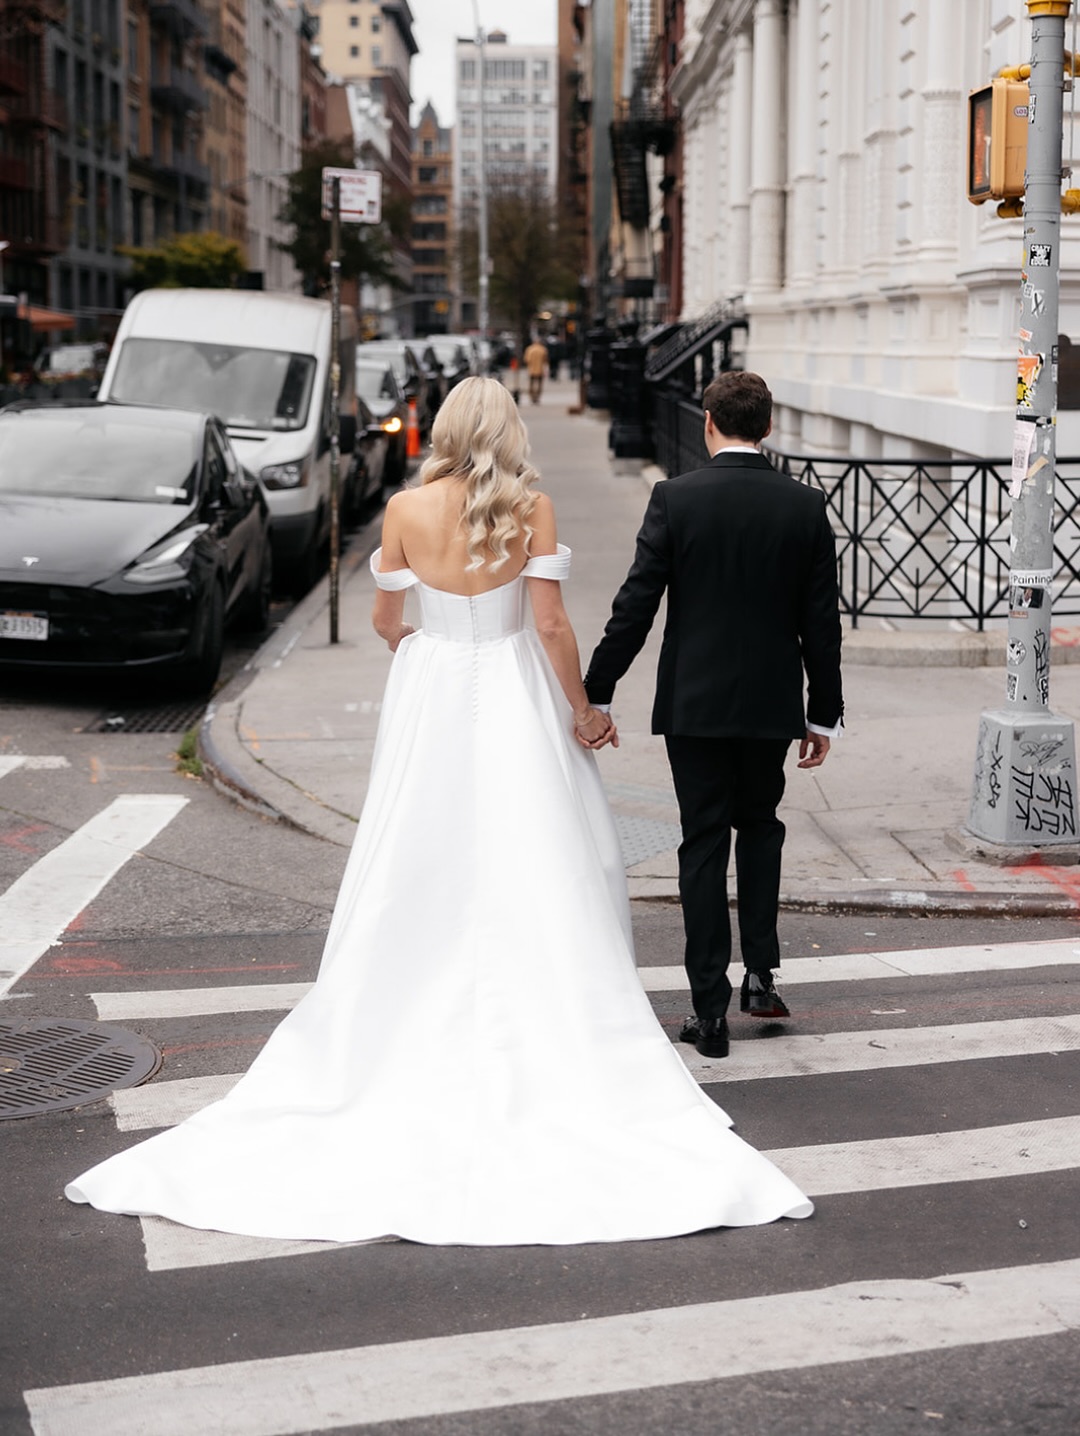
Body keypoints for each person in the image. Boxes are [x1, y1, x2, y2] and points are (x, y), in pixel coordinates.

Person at [65, 378, 812, 1245]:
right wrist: (583, 708)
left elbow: (389, 621)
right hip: (513, 682)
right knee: (543, 847)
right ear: (511, 431)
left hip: (436, 688)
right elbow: (552, 625)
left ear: (449, 431)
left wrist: (429, 649)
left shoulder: (406, 509)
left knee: (419, 846)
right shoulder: (531, 505)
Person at [584, 371, 843, 1062]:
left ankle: (709, 1013)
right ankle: (760, 974)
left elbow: (635, 604)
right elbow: (823, 625)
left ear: (708, 422)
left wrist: (596, 692)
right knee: (760, 827)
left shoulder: (676, 499)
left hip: (695, 705)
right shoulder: (804, 506)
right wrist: (824, 715)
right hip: (769, 705)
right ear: (767, 427)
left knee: (703, 843)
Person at [523, 337, 549, 404]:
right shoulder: (543, 349)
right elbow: (545, 360)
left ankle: (532, 397)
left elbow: (526, 359)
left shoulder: (529, 349)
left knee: (531, 384)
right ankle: (537, 397)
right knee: (539, 384)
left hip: (531, 369)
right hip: (540, 369)